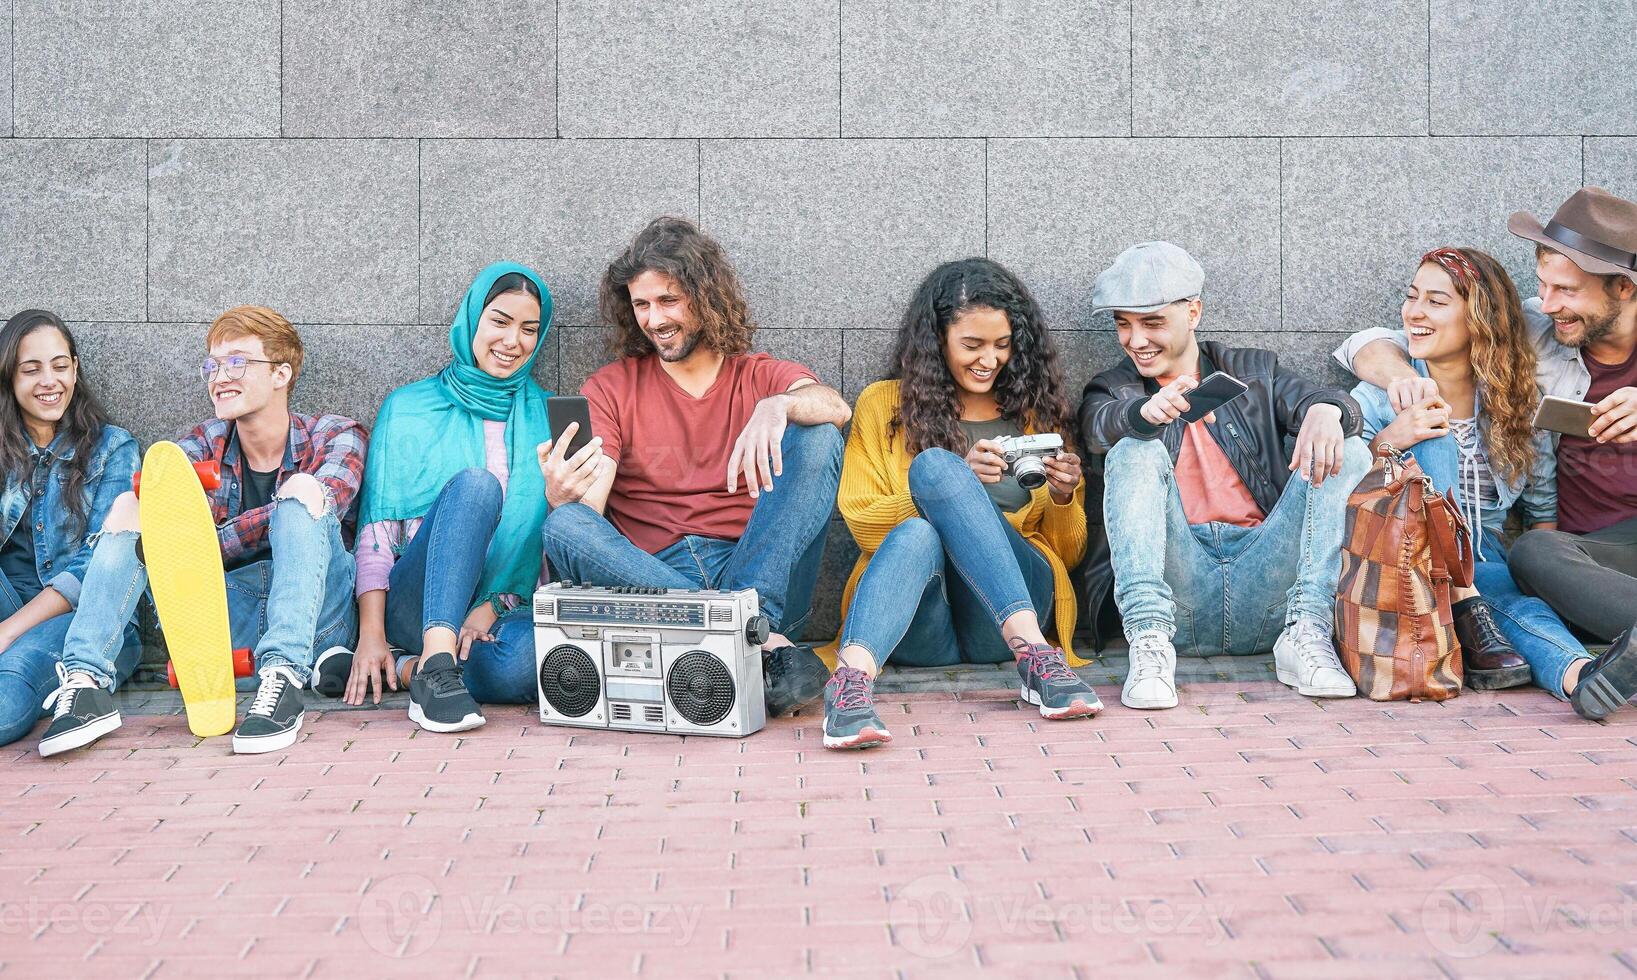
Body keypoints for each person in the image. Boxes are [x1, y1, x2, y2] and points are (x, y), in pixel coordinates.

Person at [1336, 187, 1637, 719]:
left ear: (1625, 289)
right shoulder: (1543, 333)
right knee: (1526, 558)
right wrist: (1403, 389)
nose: (1544, 304)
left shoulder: (1514, 396)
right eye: (1541, 286)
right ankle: (1554, 657)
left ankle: (1564, 662)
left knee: (1507, 574)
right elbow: (1370, 343)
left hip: (1543, 559)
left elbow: (1539, 501)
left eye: (1563, 290)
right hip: (1556, 562)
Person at [538, 217, 848, 718]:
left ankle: (748, 623)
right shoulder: (612, 387)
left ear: (706, 297)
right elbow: (589, 510)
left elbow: (835, 406)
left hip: (755, 565)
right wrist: (562, 492)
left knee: (817, 435)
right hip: (653, 577)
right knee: (564, 523)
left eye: (668, 300)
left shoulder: (759, 374)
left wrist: (779, 407)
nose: (654, 319)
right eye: (642, 304)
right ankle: (755, 642)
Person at [36, 306, 365, 756]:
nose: (219, 376)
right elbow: (167, 527)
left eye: (237, 362)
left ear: (281, 374)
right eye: (212, 365)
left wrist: (207, 538)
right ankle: (87, 681)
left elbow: (324, 503)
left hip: (318, 626)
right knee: (132, 504)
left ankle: (283, 679)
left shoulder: (337, 433)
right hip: (224, 626)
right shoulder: (198, 445)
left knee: (303, 492)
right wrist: (181, 531)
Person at [822, 258, 1100, 749]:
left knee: (937, 473)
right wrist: (951, 485)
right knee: (930, 484)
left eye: (1002, 345)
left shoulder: (1032, 413)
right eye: (971, 345)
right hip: (915, 618)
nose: (988, 360)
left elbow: (1069, 555)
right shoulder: (882, 405)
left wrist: (1061, 497)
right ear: (937, 342)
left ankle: (1035, 656)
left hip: (1009, 619)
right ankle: (851, 685)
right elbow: (865, 526)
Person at [1079, 242, 1370, 710]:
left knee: (1349, 448)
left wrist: (1327, 408)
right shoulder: (1113, 388)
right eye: (1123, 324)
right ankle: (1148, 642)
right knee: (1132, 450)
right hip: (1179, 592)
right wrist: (1144, 413)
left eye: (1152, 323)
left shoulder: (1254, 371)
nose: (1136, 340)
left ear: (1193, 312)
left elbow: (1335, 407)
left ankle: (1308, 630)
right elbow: (1100, 426)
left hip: (1269, 579)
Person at [346, 263, 554, 733]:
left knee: (526, 661)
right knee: (477, 486)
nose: (512, 341)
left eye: (528, 329)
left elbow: (544, 547)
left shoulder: (548, 415)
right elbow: (377, 535)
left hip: (496, 613)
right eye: (499, 321)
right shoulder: (409, 407)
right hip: (413, 602)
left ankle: (408, 672)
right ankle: (435, 663)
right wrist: (372, 636)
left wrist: (493, 606)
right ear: (472, 319)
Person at [1348, 247, 1552, 690]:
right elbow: (1341, 491)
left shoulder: (1517, 399)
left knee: (1526, 606)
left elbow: (1544, 516)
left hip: (1487, 561)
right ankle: (1466, 601)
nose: (1414, 312)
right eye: (1412, 296)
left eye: (1436, 302)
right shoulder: (1380, 392)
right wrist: (1390, 441)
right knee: (1432, 430)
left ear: (1481, 318)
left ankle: (1582, 676)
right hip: (1405, 564)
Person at [0, 311, 140, 748]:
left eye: (60, 366)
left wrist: (7, 633)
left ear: (75, 371)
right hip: (8, 598)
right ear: (8, 377)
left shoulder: (113, 448)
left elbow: (95, 565)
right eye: (31, 369)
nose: (49, 380)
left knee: (12, 683)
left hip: (83, 617)